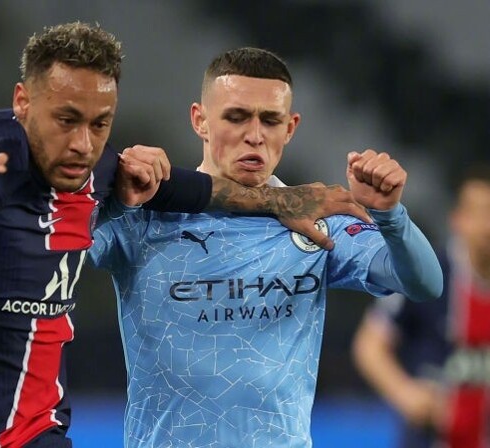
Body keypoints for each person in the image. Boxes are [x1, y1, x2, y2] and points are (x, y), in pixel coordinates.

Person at [0, 23, 370, 448]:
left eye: (99, 124)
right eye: (66, 120)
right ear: (23, 102)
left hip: (34, 428)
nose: (83, 143)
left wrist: (282, 201)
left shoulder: (100, 170)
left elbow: (198, 191)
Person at [88, 47, 443, 448]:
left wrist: (391, 216)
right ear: (200, 120)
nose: (255, 135)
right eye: (236, 117)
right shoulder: (142, 217)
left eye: (270, 120)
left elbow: (424, 284)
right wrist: (113, 183)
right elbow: (61, 244)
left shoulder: (317, 219)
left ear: (290, 128)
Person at [353, 165, 490, 448]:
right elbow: (369, 345)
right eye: (481, 212)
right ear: (458, 220)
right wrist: (406, 393)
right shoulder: (427, 273)